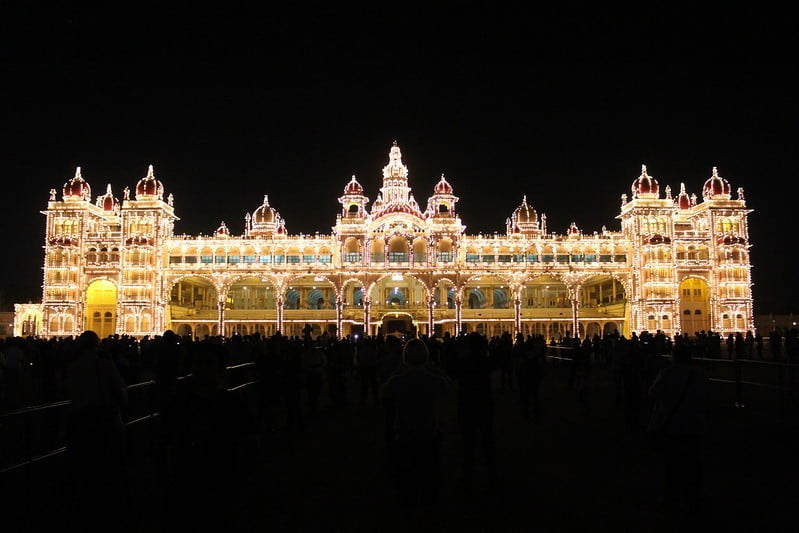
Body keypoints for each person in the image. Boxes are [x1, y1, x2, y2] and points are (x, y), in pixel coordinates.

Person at [381, 339, 449, 509]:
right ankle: (429, 504)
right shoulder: (433, 380)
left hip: (404, 432)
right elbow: (447, 386)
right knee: (429, 471)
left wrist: (397, 373)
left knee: (406, 473)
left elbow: (385, 393)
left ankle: (408, 505)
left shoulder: (398, 380)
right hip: (429, 431)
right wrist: (435, 370)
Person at [648, 342, 708, 514]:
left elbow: (653, 393)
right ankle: (693, 499)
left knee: (672, 465)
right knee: (693, 464)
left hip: (673, 426)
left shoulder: (668, 373)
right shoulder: (700, 374)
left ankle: (671, 498)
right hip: (695, 425)